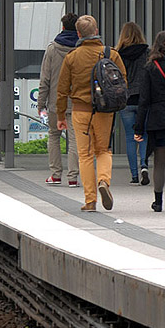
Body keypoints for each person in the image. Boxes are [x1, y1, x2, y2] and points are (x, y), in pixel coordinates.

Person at [56, 15, 126, 211]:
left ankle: (90, 201)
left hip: (80, 111)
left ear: (78, 34)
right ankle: (104, 181)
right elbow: (123, 83)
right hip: (104, 111)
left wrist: (61, 116)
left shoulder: (72, 57)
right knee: (103, 150)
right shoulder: (111, 55)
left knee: (85, 155)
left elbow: (62, 90)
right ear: (96, 31)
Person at [134, 31, 165, 212]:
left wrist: (139, 127)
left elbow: (144, 101)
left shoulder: (151, 67)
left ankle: (158, 201)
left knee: (160, 162)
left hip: (159, 119)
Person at [38, 12, 80, 186]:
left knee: (54, 135)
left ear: (62, 27)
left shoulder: (52, 49)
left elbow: (45, 79)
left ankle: (55, 175)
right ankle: (73, 177)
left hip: (56, 102)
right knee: (75, 139)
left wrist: (41, 104)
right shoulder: (82, 49)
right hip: (77, 102)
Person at [116, 22, 150, 185]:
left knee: (130, 137)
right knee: (143, 134)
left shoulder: (118, 54)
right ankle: (144, 165)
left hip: (126, 100)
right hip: (144, 99)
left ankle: (134, 175)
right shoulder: (147, 52)